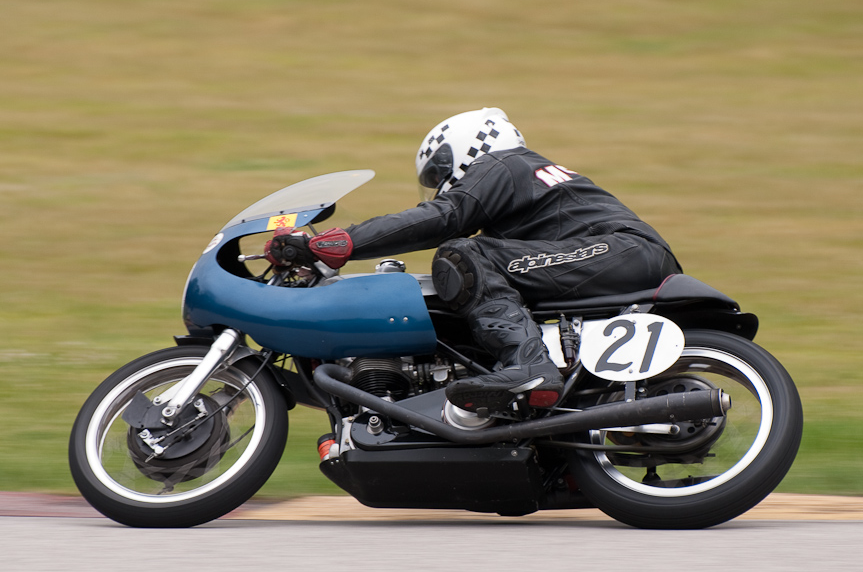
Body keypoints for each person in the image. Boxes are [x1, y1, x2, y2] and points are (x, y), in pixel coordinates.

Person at [267, 107, 682, 413]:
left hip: (619, 251)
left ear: (471, 145)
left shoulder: (504, 162)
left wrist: (340, 243)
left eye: (438, 173)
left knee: (464, 256)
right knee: (477, 269)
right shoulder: (525, 186)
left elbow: (445, 217)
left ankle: (528, 365)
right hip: (620, 253)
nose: (438, 186)